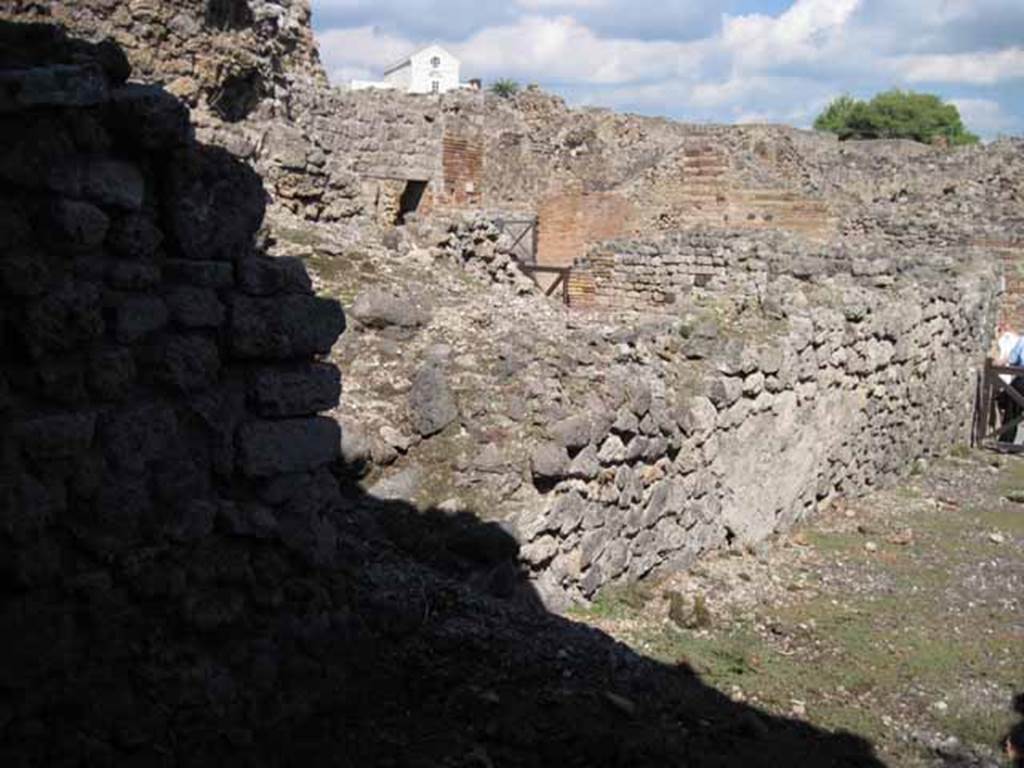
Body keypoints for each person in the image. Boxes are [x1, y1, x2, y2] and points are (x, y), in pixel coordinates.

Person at [994, 324, 1024, 443]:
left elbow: (1011, 360)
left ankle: (1006, 442)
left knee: (1012, 411)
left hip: (1021, 381)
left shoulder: (1022, 341)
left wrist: (997, 363)